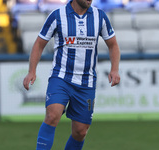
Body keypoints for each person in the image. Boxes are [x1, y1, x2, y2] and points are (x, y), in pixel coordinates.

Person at [23, 0, 120, 149]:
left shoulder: (99, 16)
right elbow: (39, 44)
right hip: (61, 77)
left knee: (80, 132)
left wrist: (114, 69)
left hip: (86, 83)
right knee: (52, 116)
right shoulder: (57, 15)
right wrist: (31, 71)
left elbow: (113, 45)